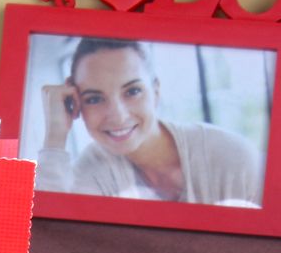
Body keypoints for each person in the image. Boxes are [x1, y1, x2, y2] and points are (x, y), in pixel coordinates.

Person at [36, 38, 263, 206]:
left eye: (132, 91)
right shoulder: (91, 172)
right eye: (94, 98)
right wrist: (55, 137)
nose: (118, 115)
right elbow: (48, 238)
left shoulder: (233, 157)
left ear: (156, 91)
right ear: (75, 103)